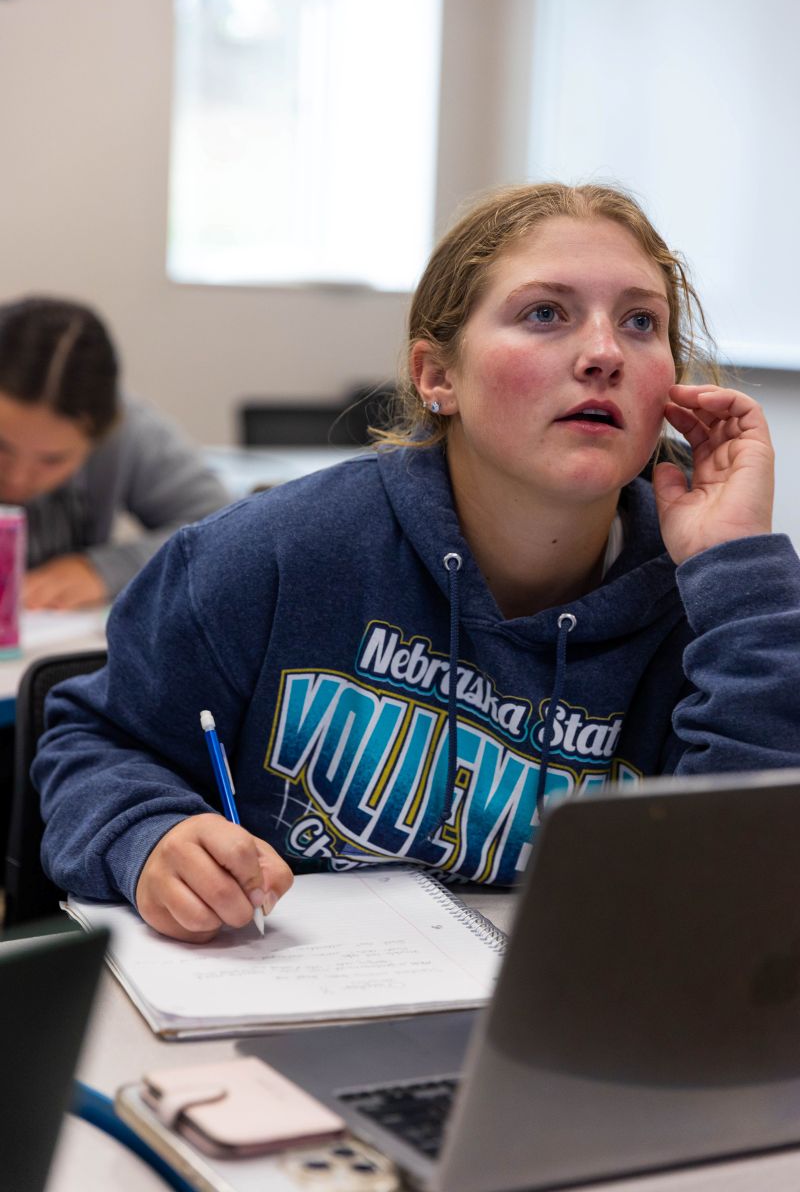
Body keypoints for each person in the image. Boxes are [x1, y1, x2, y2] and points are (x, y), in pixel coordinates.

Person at [34, 183, 800, 945]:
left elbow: (748, 884)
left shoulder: (715, 604)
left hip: (576, 1029)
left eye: (641, 322)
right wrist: (146, 834)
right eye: (545, 313)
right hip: (278, 1013)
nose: (603, 353)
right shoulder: (275, 552)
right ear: (437, 377)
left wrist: (738, 569)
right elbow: (96, 742)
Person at [0, 296, 231, 609]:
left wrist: (101, 569)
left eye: (53, 460)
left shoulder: (129, 432)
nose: (18, 477)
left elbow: (227, 531)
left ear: (100, 435)